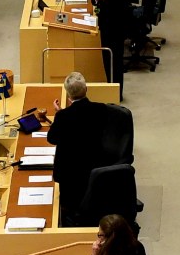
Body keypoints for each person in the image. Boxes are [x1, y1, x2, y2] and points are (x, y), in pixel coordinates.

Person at [47, 72, 133, 227]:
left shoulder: (63, 117)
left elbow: (52, 138)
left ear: (68, 94)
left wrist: (59, 115)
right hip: (96, 167)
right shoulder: (102, 110)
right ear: (86, 89)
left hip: (71, 178)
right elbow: (84, 126)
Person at [91, 0, 132, 85]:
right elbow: (96, 1)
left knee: (116, 61)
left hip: (118, 27)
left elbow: (123, 4)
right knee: (106, 58)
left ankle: (117, 92)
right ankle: (109, 86)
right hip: (105, 26)